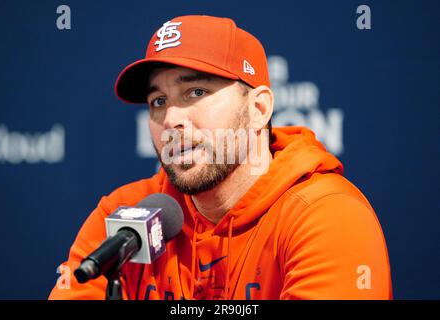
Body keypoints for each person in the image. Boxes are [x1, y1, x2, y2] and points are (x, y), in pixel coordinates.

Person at [49, 15, 392, 300]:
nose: (170, 120)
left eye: (196, 92)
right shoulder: (124, 214)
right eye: (158, 101)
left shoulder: (326, 214)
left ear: (259, 109)